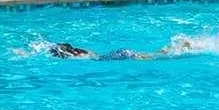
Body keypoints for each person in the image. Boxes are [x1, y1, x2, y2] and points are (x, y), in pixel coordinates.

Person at [40, 42, 169, 61]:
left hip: (118, 56)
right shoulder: (81, 52)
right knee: (151, 55)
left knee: (151, 58)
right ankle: (162, 51)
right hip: (118, 54)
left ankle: (163, 52)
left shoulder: (78, 56)